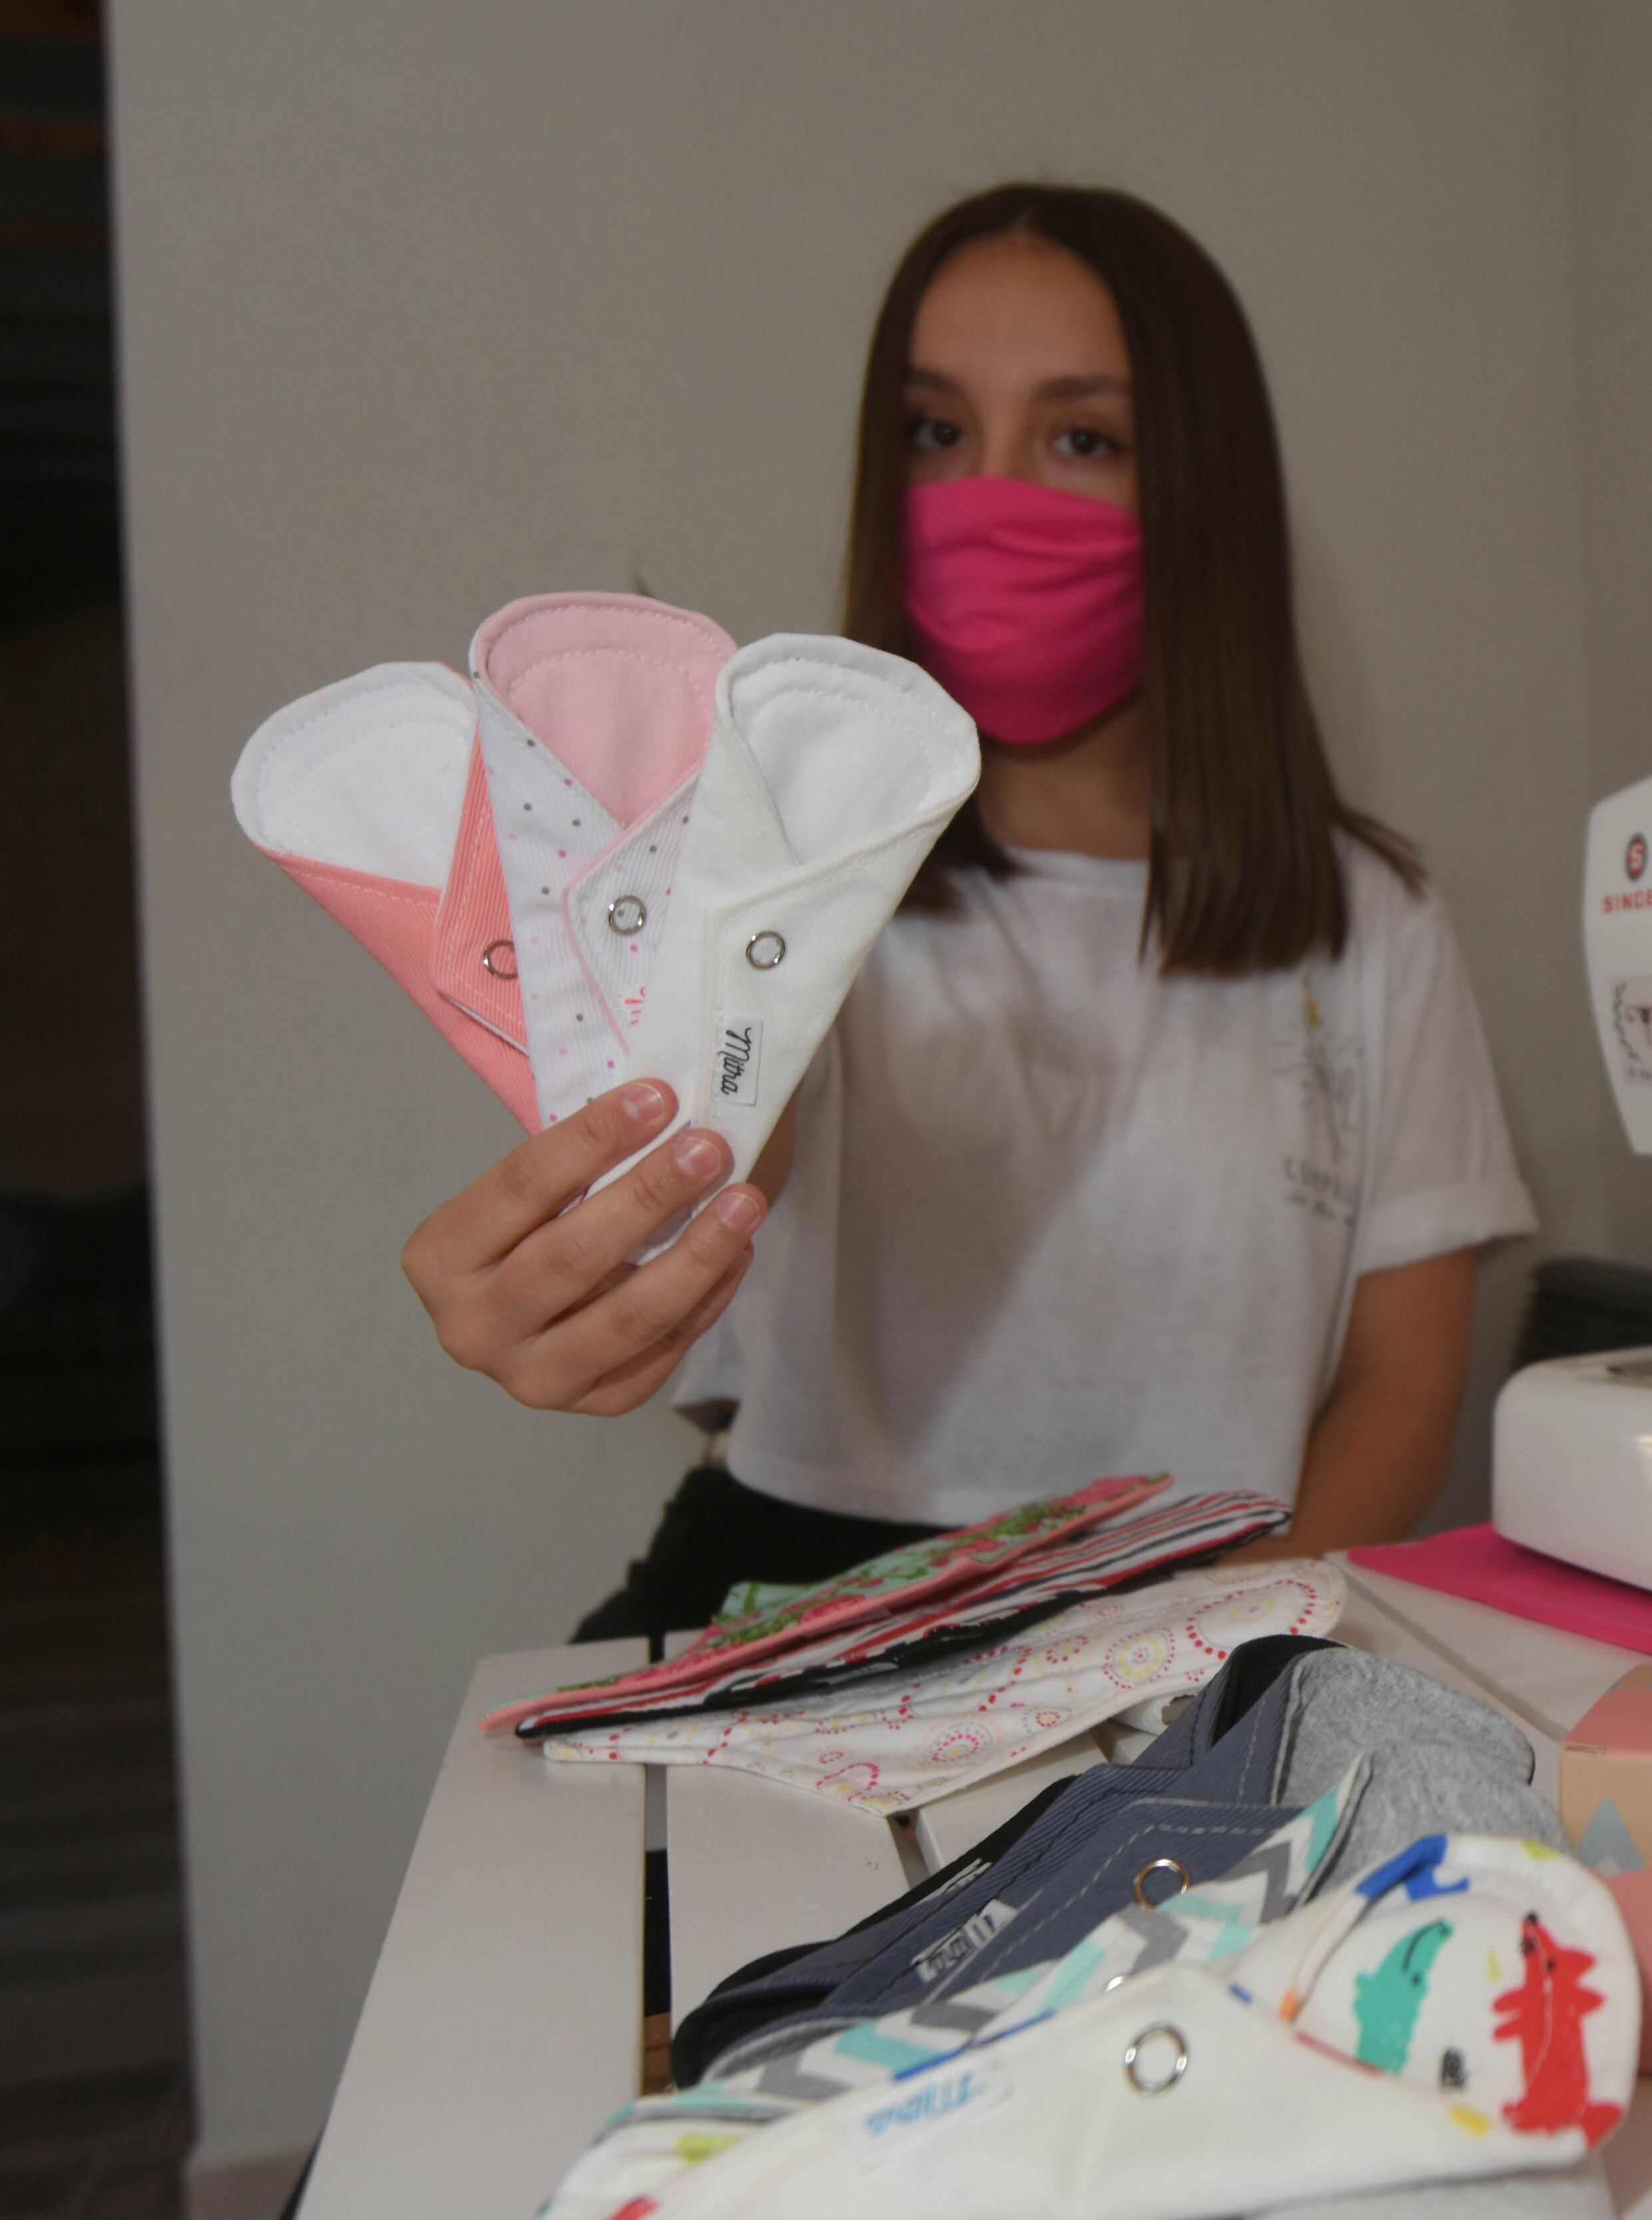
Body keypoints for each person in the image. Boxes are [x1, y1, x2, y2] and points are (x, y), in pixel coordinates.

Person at [398, 185, 1536, 1638]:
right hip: (794, 1601)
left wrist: (1189, 1657)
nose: (993, 497)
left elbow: (1403, 1383)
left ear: (1201, 486)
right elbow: (723, 1144)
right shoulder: (782, 873)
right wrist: (588, 1268)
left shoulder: (1369, 918)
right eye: (936, 432)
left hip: (1211, 1613)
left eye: (1082, 437)